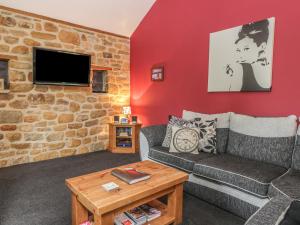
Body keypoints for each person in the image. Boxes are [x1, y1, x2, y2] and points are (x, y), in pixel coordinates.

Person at [226, 19, 271, 91]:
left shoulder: (267, 67)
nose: (241, 55)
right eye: (238, 50)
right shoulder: (239, 67)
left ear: (262, 46)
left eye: (246, 49)